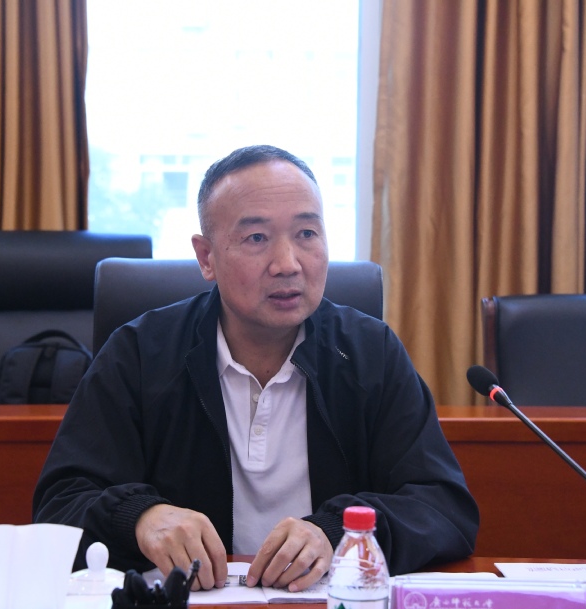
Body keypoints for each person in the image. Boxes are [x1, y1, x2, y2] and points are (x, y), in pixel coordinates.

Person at [33, 145, 479, 593]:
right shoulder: (139, 353)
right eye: (257, 238)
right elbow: (60, 504)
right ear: (207, 257)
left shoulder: (369, 353)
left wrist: (335, 531)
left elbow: (443, 507)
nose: (287, 264)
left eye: (307, 233)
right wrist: (140, 517)